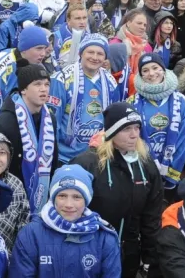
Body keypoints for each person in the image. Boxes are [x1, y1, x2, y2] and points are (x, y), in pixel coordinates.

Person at [71, 102, 164, 278]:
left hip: (128, 254)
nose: (134, 134)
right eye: (126, 129)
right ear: (112, 131)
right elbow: (69, 210)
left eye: (137, 128)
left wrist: (150, 258)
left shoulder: (146, 166)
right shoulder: (88, 163)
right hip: (90, 250)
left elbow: (151, 218)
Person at [9, 164, 122, 277]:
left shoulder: (104, 238)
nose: (69, 204)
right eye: (62, 196)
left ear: (86, 200)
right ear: (53, 199)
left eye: (77, 197)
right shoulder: (31, 234)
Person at [0, 61, 57, 212]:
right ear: (23, 90)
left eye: (47, 84)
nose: (43, 89)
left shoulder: (50, 118)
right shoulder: (5, 122)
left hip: (42, 197)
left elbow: (53, 159)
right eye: (37, 84)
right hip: (10, 200)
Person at [50, 34, 124, 164]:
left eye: (100, 54)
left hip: (98, 156)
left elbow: (113, 119)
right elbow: (52, 121)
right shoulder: (61, 79)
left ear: (105, 57)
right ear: (81, 53)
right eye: (90, 52)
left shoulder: (111, 82)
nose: (95, 57)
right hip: (65, 157)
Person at [128, 53, 185, 192]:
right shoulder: (131, 103)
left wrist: (172, 173)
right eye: (145, 70)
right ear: (140, 75)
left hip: (170, 171)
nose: (151, 73)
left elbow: (184, 141)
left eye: (155, 68)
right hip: (140, 173)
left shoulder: (182, 102)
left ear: (163, 70)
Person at [0, 26, 52, 131]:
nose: (43, 53)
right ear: (25, 48)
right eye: (39, 48)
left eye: (45, 48)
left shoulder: (38, 65)